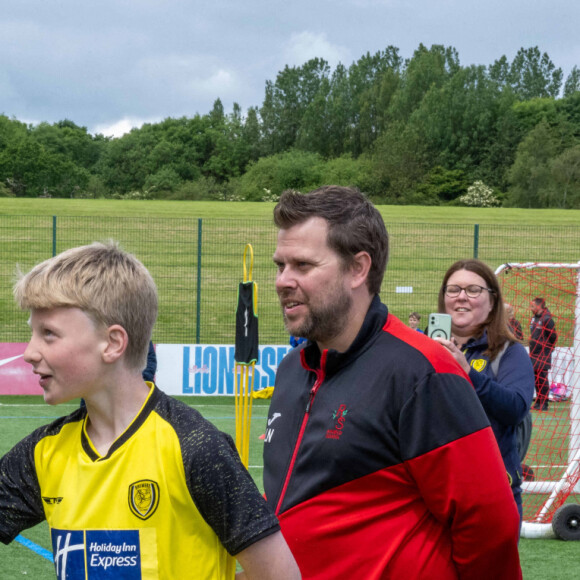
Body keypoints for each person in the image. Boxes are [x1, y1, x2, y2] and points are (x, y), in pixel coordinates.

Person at [0, 241, 300, 580]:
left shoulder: (195, 448)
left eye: (48, 334)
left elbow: (280, 575)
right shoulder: (43, 452)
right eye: (32, 334)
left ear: (113, 343)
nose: (28, 352)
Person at [264, 186, 522, 579]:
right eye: (280, 265)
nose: (283, 280)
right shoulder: (291, 370)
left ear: (358, 269)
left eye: (302, 265)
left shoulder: (422, 370)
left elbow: (491, 524)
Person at [435, 259, 535, 526]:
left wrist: (467, 371)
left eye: (473, 290)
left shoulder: (509, 352)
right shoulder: (422, 348)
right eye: (453, 289)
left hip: (491, 492)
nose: (461, 297)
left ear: (492, 301)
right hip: (432, 493)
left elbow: (515, 408)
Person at [529, 297, 558, 411]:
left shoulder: (547, 318)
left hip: (543, 353)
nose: (530, 308)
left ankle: (544, 403)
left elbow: (553, 336)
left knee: (542, 378)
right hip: (534, 353)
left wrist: (548, 347)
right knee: (536, 378)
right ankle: (538, 401)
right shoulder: (534, 318)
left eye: (532, 306)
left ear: (539, 306)